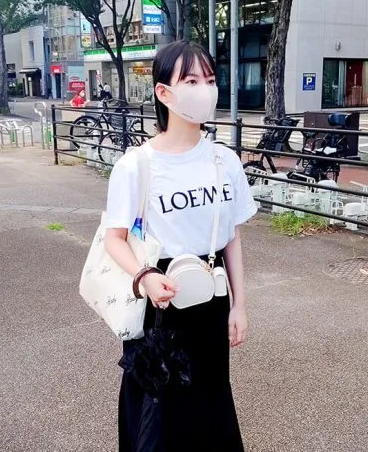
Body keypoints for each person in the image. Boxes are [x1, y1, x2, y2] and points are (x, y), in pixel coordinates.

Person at [105, 40, 257, 452]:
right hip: (160, 305)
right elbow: (114, 239)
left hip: (211, 301)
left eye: (209, 79)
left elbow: (231, 238)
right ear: (163, 92)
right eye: (190, 80)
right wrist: (144, 277)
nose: (204, 89)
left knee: (209, 405)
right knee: (159, 415)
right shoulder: (136, 165)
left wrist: (239, 305)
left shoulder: (225, 161)